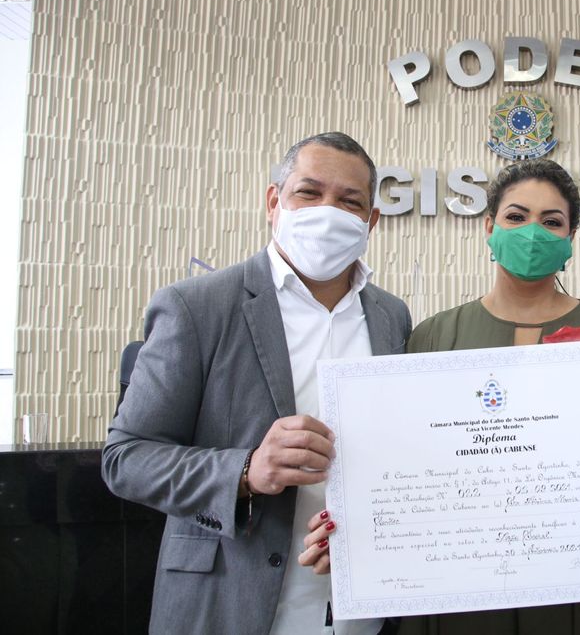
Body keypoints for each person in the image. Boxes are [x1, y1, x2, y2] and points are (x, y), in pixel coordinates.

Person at [301, 158, 580, 635]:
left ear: (571, 237)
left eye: (551, 222)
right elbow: (400, 460)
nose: (532, 232)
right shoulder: (433, 338)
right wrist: (356, 522)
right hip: (461, 590)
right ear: (490, 227)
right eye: (516, 217)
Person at [102, 132, 412, 634]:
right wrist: (245, 470)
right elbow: (126, 458)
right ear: (274, 202)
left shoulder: (390, 315)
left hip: (360, 612)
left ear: (370, 221)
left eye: (350, 201)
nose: (328, 211)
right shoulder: (197, 307)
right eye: (309, 192)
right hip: (229, 605)